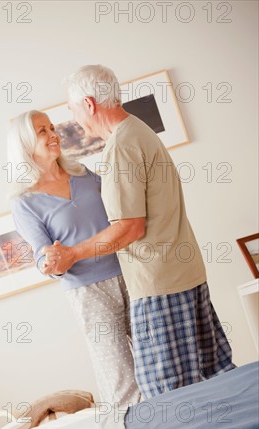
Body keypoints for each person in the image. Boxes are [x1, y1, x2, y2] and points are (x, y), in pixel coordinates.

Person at [42, 64, 236, 400]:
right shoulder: (140, 131)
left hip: (158, 283)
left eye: (72, 109)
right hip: (183, 273)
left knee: (169, 396)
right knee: (213, 380)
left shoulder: (122, 146)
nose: (73, 118)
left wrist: (72, 253)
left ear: (89, 104)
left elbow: (129, 227)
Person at [7, 109, 140, 408]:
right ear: (24, 143)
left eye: (52, 127)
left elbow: (121, 213)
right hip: (88, 291)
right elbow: (43, 255)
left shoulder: (83, 173)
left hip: (132, 273)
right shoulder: (24, 201)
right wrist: (50, 263)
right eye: (42, 131)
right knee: (119, 375)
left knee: (156, 358)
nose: (53, 134)